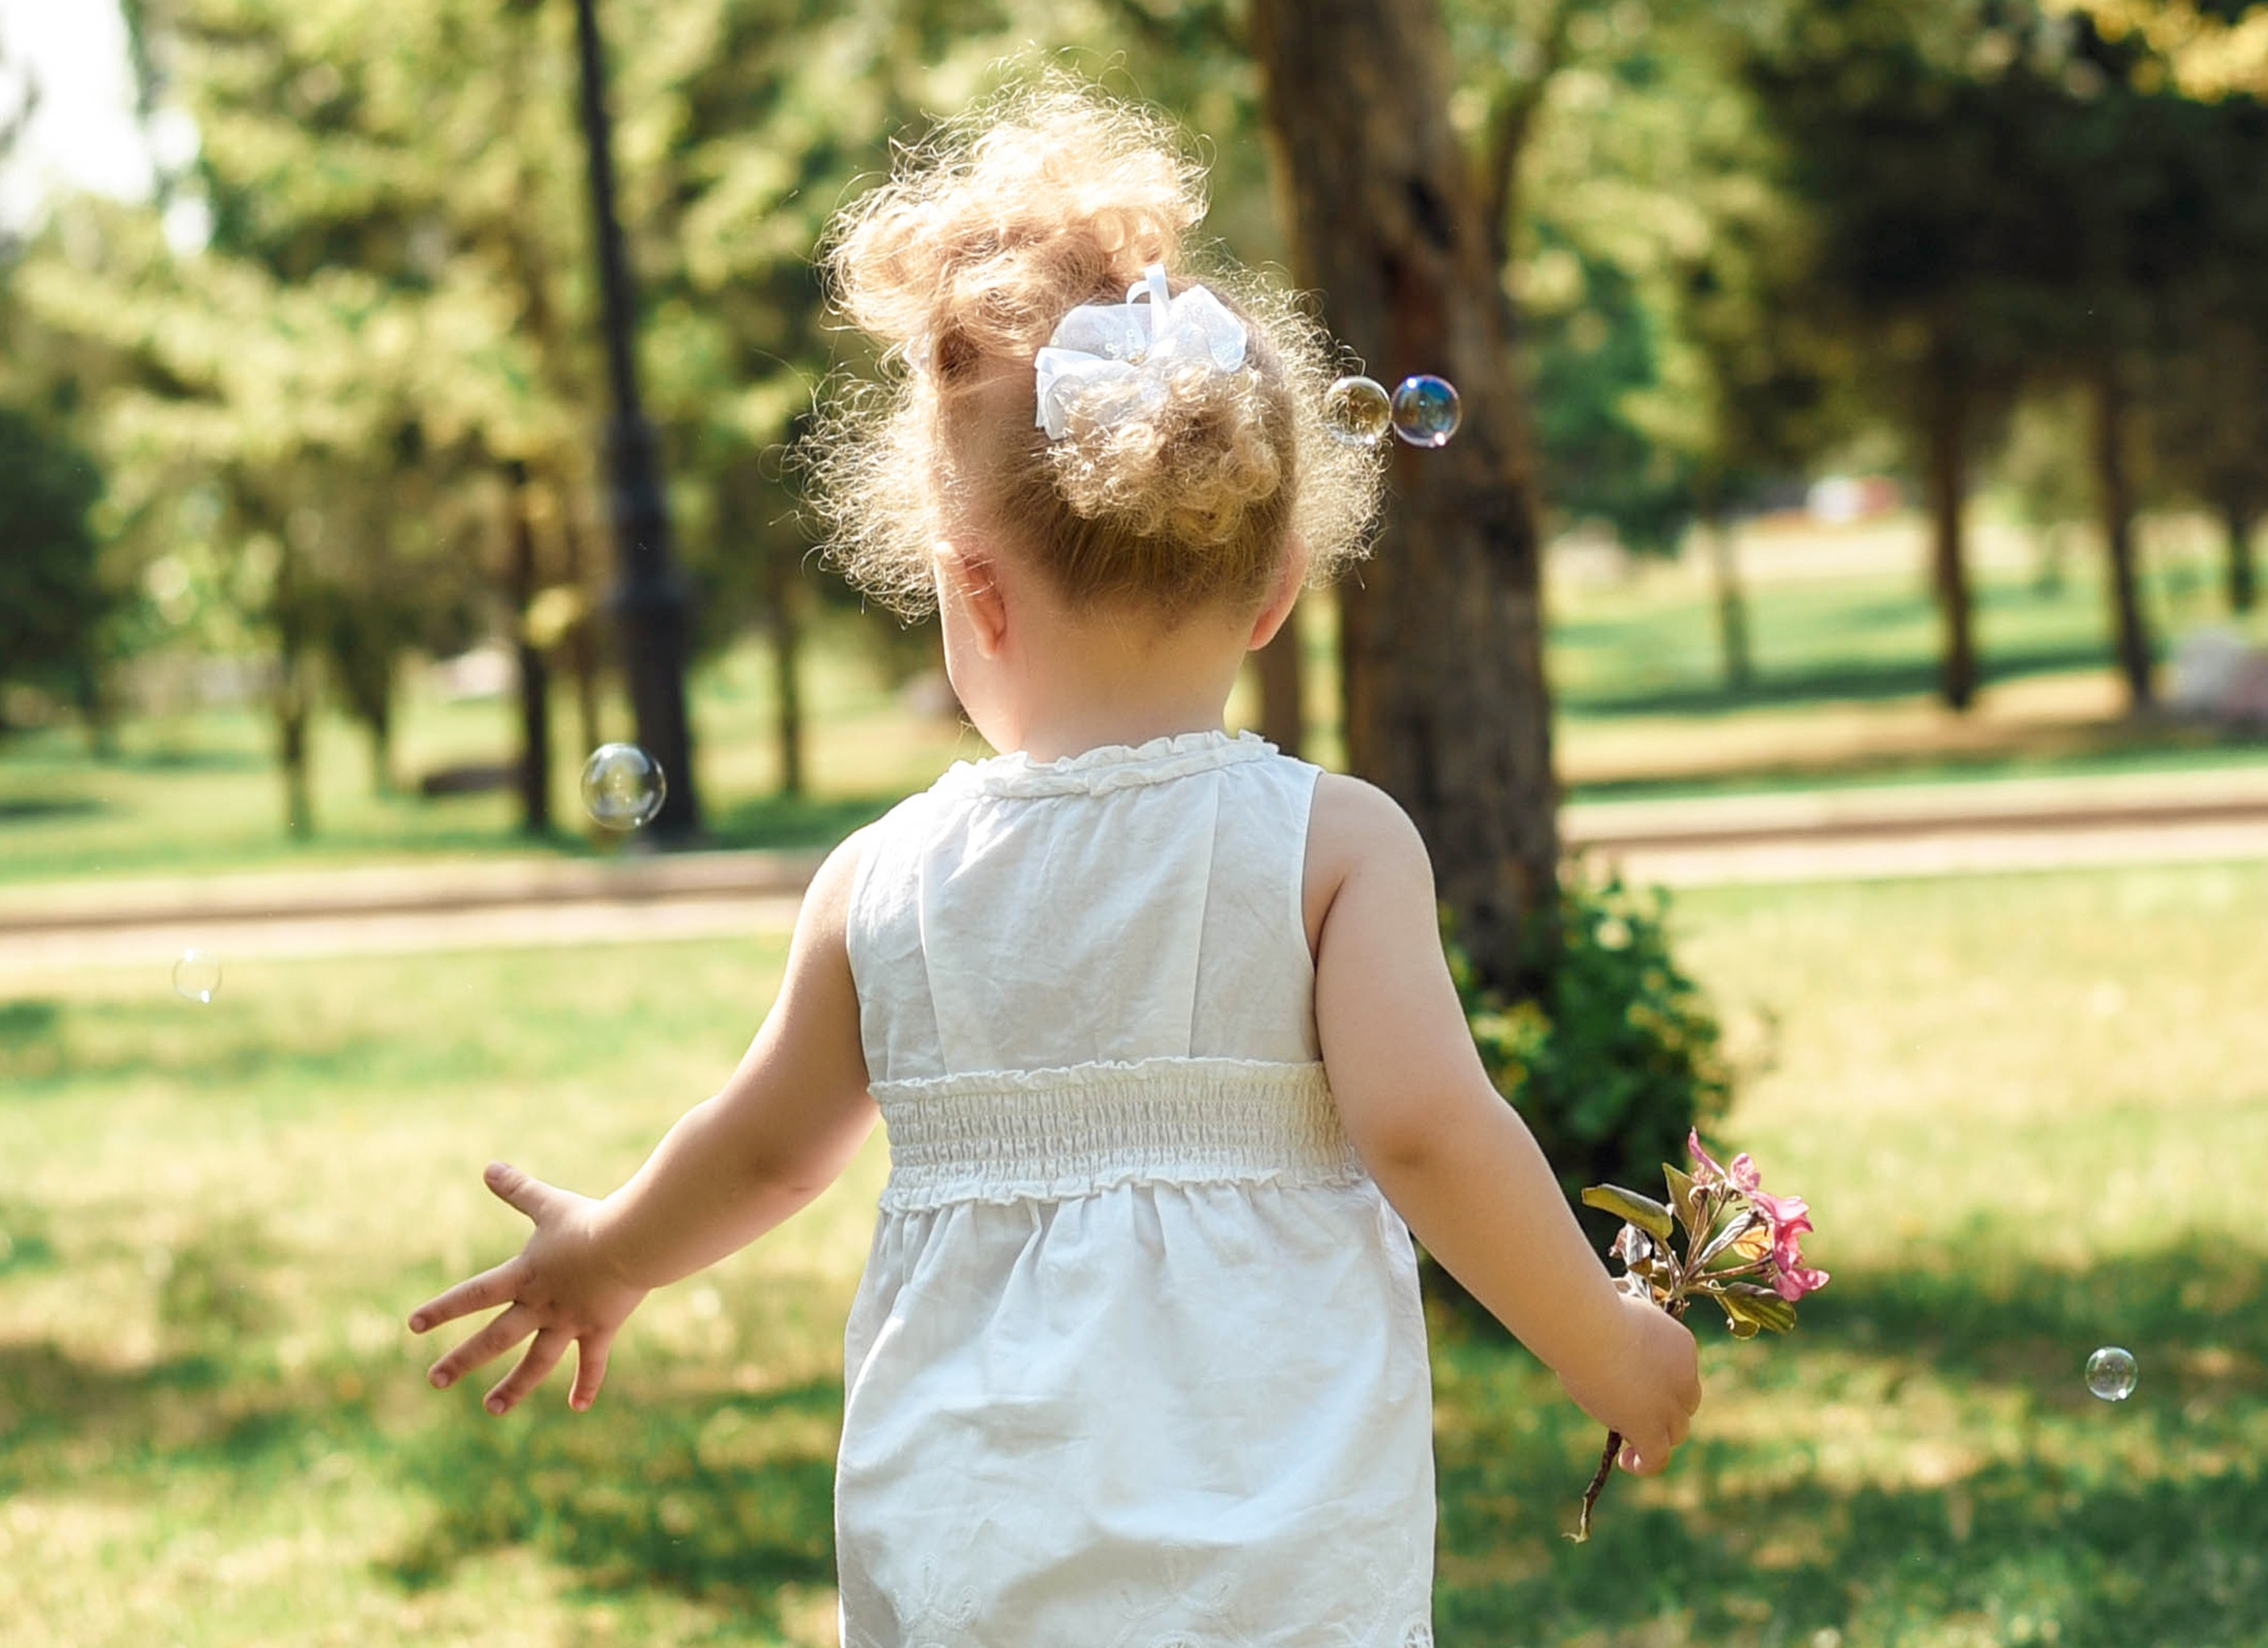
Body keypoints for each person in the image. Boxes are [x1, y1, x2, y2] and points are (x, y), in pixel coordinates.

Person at [408, 85, 1700, 1646]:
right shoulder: (1331, 848)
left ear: (970, 590)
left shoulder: (884, 882)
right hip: (1270, 1571)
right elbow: (1429, 1130)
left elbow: (764, 1153)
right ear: (1279, 585)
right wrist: (1610, 1347)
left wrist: (608, 1255)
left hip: (975, 1565)